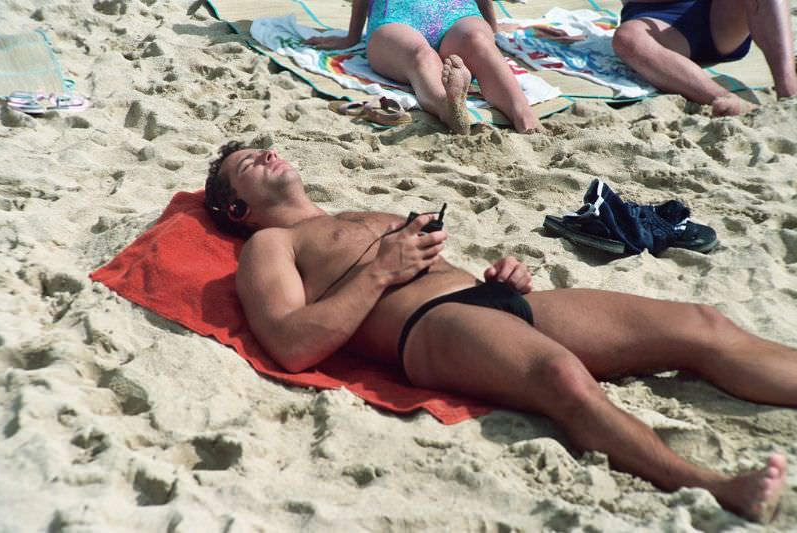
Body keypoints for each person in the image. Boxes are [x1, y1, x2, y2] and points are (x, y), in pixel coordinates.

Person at [204, 141, 795, 523]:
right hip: (430, 329)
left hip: (491, 299)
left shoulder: (356, 213)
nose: (268, 154)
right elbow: (290, 342)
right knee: (560, 377)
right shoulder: (269, 245)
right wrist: (382, 268)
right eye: (249, 164)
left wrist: (505, 274)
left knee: (701, 323)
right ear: (238, 209)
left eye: (266, 148)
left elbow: (432, 268)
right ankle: (718, 488)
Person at [304, 0, 541, 134]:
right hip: (402, 17)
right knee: (422, 55)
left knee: (477, 42)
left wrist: (493, 30)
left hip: (451, 12)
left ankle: (522, 113)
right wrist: (351, 37)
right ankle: (452, 108)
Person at [612, 0, 797, 116]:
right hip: (654, 20)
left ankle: (788, 89)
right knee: (627, 38)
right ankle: (722, 97)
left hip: (716, 15)